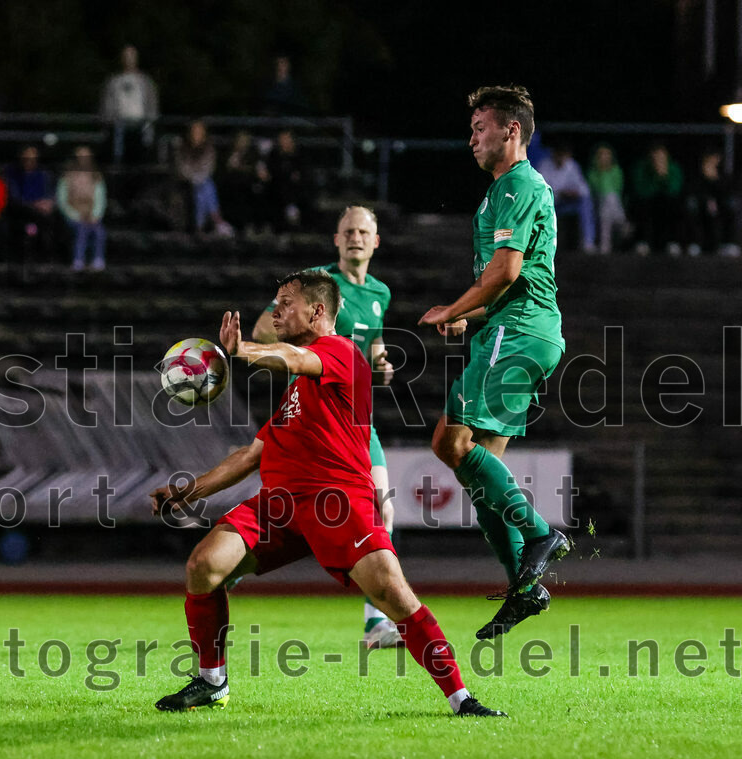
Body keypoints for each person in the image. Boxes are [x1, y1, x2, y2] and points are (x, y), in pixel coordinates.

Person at [151, 270, 504, 717]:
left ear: (318, 311)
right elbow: (250, 455)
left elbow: (292, 358)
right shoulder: (297, 390)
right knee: (203, 566)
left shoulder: (339, 352)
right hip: (280, 507)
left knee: (395, 596)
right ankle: (211, 682)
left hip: (337, 505)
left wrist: (244, 351)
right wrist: (190, 490)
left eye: (284, 303)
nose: (275, 312)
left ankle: (461, 698)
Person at [418, 85, 570, 640]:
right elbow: (510, 278)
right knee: (478, 469)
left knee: (447, 443)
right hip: (514, 327)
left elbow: (506, 272)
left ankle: (538, 534)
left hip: (520, 330)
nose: (472, 137)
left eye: (480, 126)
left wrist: (453, 309)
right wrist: (470, 316)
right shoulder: (503, 192)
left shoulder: (517, 185)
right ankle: (523, 590)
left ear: (511, 130)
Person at [251, 206, 400, 649]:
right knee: (284, 497)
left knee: (384, 508)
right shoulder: (316, 283)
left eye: (363, 232)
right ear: (336, 240)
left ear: (376, 242)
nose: (355, 237)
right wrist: (297, 356)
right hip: (316, 412)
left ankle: (375, 622)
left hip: (356, 416)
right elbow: (264, 328)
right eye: (348, 231)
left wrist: (381, 363)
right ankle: (230, 563)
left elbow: (374, 346)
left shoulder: (380, 293)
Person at [100, 45, 159, 165]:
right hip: (119, 125)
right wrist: (108, 120)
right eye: (126, 56)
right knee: (119, 157)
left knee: (142, 157)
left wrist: (150, 120)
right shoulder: (114, 81)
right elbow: (107, 104)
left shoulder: (145, 81)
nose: (129, 59)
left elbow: (152, 103)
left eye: (132, 56)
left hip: (141, 124)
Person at [175, 120, 233, 236]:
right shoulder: (182, 148)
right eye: (195, 131)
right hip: (187, 180)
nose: (197, 133)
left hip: (202, 180)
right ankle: (217, 220)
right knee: (207, 186)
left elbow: (208, 168)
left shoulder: (209, 148)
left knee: (202, 191)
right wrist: (193, 177)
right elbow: (182, 167)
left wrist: (198, 177)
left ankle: (199, 226)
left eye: (200, 131)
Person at [537, 142, 595, 252]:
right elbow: (540, 191)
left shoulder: (572, 165)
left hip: (566, 204)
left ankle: (588, 242)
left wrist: (574, 192)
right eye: (559, 154)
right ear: (554, 154)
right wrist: (560, 192)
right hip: (551, 204)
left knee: (585, 203)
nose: (561, 158)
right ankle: (543, 246)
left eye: (564, 155)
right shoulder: (544, 165)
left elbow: (584, 190)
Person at [57, 146, 107, 271]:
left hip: (91, 214)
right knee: (82, 229)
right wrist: (76, 216)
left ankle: (98, 259)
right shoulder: (67, 176)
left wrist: (95, 215)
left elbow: (100, 198)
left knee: (99, 231)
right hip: (73, 214)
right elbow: (62, 200)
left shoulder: (96, 176)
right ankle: (78, 260)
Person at [630, 143, 684, 256]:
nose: (658, 160)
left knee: (672, 205)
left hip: (667, 203)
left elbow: (674, 190)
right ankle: (643, 242)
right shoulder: (642, 167)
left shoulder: (673, 168)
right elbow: (641, 191)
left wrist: (664, 177)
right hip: (648, 202)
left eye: (661, 157)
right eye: (655, 157)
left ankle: (672, 242)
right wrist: (655, 175)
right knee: (642, 206)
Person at [5, 145, 56, 262]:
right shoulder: (12, 174)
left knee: (48, 220)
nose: (29, 161)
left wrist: (48, 203)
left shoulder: (43, 174)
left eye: (32, 158)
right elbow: (15, 198)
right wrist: (34, 205)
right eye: (26, 158)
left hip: (41, 214)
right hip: (21, 213)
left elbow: (50, 195)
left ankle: (45, 257)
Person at [685, 150, 739, 257]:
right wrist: (706, 200)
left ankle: (728, 244)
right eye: (709, 160)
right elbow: (693, 191)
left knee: (730, 208)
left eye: (715, 160)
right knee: (693, 208)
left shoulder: (723, 175)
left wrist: (714, 179)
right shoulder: (697, 176)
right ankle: (696, 243)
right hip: (701, 204)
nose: (713, 163)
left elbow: (727, 192)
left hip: (719, 205)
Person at [586, 143, 629, 254]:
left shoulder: (616, 171)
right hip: (597, 203)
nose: (604, 158)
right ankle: (622, 222)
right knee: (607, 202)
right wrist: (602, 174)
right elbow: (595, 189)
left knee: (610, 200)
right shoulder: (592, 173)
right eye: (601, 155)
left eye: (607, 155)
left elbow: (618, 189)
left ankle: (605, 246)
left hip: (614, 204)